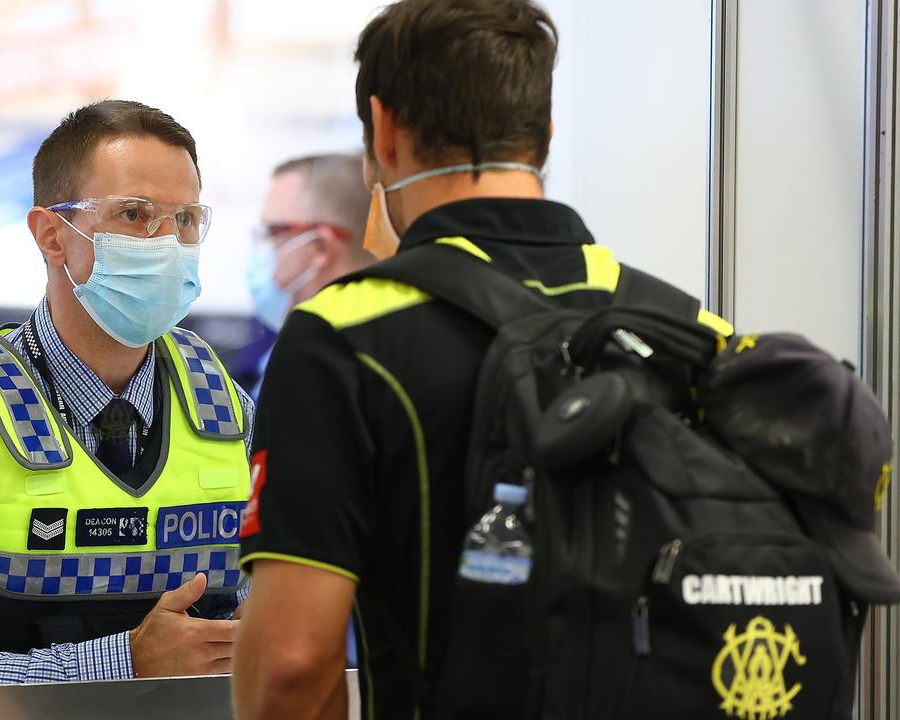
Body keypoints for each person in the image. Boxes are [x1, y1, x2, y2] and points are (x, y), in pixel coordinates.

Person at [231, 1, 732, 718]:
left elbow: (290, 667)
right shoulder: (693, 330)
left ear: (384, 129)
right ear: (544, 138)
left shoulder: (342, 337)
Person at [0, 100, 255, 686]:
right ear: (51, 235)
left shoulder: (226, 406)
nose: (168, 243)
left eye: (187, 220)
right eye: (134, 213)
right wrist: (124, 663)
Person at [246, 154, 374, 398]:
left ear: (320, 247)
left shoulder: (317, 364)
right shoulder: (294, 350)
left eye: (272, 230)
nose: (262, 244)